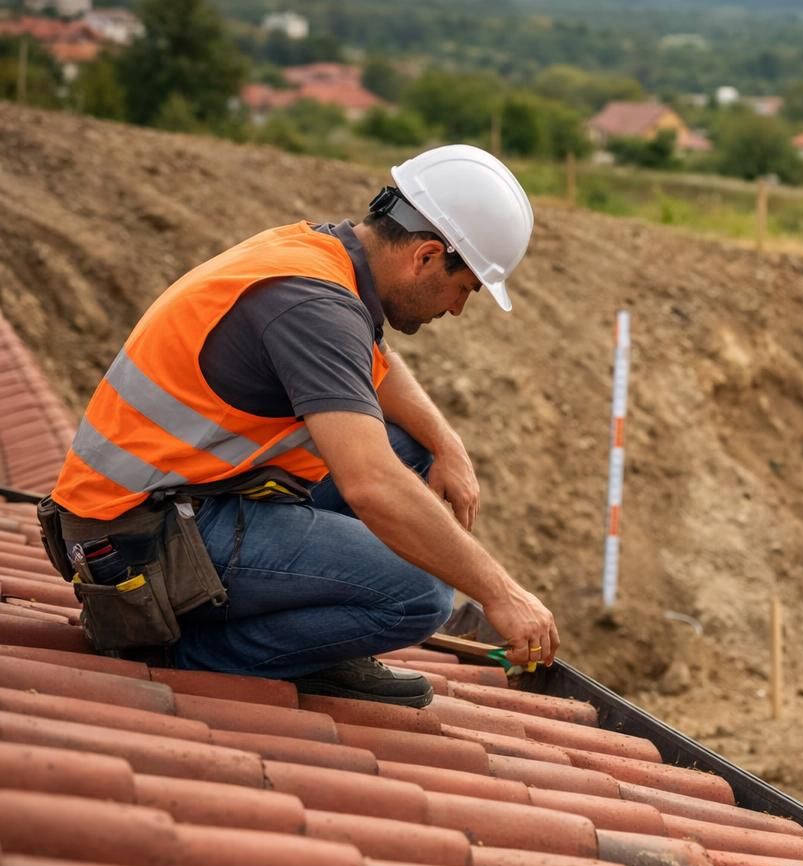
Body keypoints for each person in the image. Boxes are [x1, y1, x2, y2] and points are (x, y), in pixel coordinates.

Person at [44, 145, 558, 707]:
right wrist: (501, 594)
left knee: (413, 451)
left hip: (169, 501)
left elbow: (368, 361)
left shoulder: (317, 255)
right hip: (133, 546)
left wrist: (447, 444)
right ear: (427, 256)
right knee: (421, 594)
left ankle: (309, 640)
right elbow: (371, 485)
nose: (458, 308)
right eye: (465, 288)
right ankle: (185, 651)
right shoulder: (313, 306)